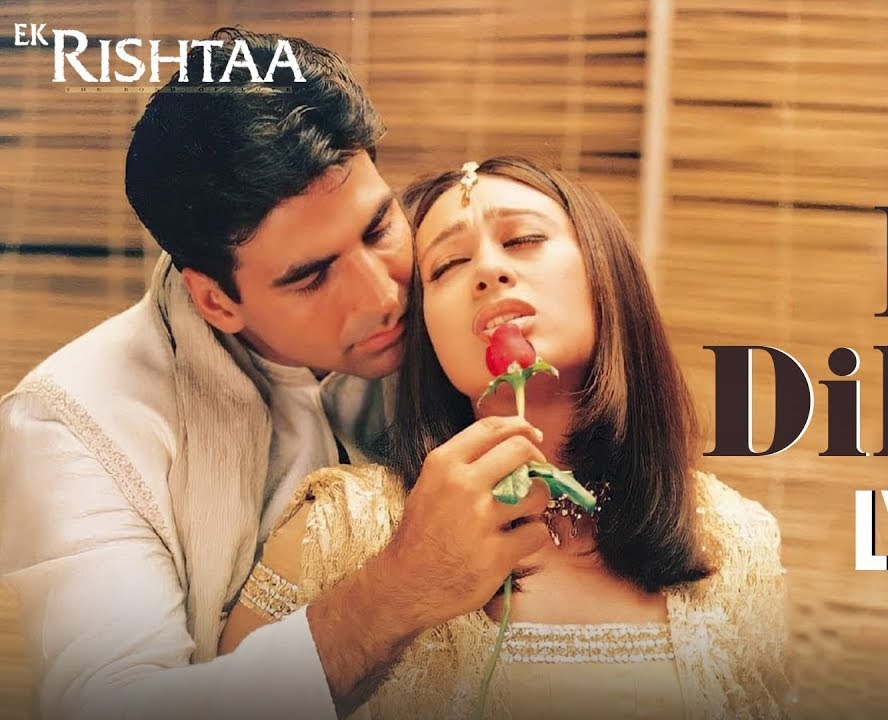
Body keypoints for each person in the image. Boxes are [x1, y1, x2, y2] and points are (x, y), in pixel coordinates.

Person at [0, 30, 551, 720]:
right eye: (312, 276)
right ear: (216, 301)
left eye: (378, 229)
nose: (382, 295)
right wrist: (399, 590)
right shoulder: (73, 423)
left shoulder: (454, 302)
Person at [220, 157, 796, 719]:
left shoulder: (735, 541)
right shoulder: (337, 528)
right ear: (426, 334)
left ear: (607, 273)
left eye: (522, 239)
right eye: (448, 265)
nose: (488, 271)